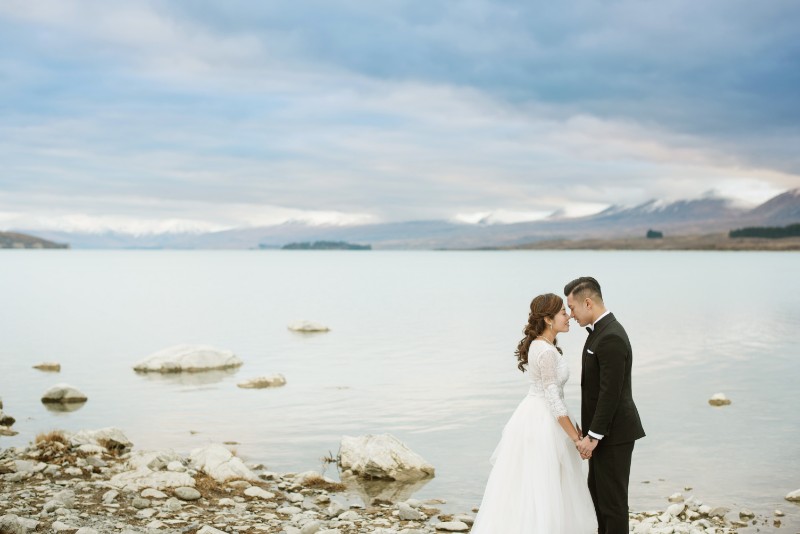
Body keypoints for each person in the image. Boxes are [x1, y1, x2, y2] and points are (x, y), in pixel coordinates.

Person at [470, 293, 597, 533]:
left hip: (537, 415)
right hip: (544, 422)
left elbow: (555, 398)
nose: (568, 316)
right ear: (548, 319)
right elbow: (553, 400)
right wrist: (576, 439)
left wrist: (574, 426)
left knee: (534, 485)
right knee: (546, 485)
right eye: (562, 313)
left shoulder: (542, 345)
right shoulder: (546, 352)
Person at [565, 276, 646, 534]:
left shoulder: (611, 336)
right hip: (600, 435)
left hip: (614, 434)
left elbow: (609, 393)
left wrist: (594, 436)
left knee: (613, 505)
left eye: (572, 307)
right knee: (598, 499)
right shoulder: (599, 332)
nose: (570, 314)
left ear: (587, 302)